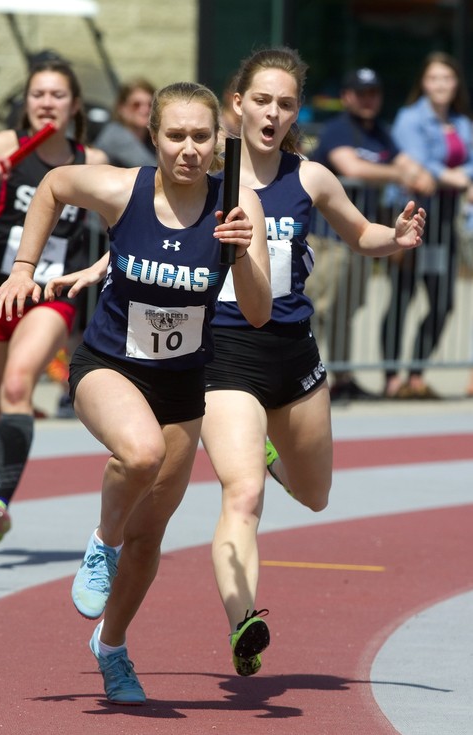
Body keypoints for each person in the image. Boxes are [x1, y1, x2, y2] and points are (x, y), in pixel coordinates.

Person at [0, 81, 271, 704]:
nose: (190, 149)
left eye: (202, 137)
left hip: (181, 385)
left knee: (151, 537)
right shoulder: (124, 189)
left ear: (217, 144)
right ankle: (100, 543)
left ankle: (111, 648)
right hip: (109, 366)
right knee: (139, 455)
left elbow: (255, 313)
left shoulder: (237, 207)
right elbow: (56, 186)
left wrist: (245, 256)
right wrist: (22, 268)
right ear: (154, 136)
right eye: (177, 136)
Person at [202, 47, 425, 678]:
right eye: (262, 100)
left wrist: (397, 236)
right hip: (225, 353)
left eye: (286, 103)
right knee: (241, 496)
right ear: (238, 103)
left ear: (296, 112)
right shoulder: (205, 174)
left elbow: (362, 235)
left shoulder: (310, 177)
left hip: (293, 351)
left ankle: (271, 454)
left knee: (316, 494)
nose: (273, 113)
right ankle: (243, 619)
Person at [0, 59, 108, 543]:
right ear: (25, 102)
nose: (47, 103)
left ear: (75, 105)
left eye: (58, 95)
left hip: (49, 296)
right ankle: (6, 451)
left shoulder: (93, 162)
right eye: (38, 94)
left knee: (18, 384)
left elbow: (133, 217)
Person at [308, 67, 435, 403]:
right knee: (318, 309)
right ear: (347, 96)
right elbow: (352, 168)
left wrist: (421, 174)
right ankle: (306, 379)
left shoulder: (381, 132)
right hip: (327, 238)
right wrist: (400, 175)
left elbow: (407, 162)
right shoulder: (337, 129)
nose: (368, 99)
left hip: (361, 239)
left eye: (374, 93)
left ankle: (343, 377)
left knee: (346, 311)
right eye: (361, 93)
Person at [383, 51, 473, 399]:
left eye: (447, 78)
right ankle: (392, 376)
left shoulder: (462, 122)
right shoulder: (409, 118)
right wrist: (454, 176)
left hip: (445, 223)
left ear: (455, 84)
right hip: (411, 218)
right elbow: (418, 164)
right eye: (434, 78)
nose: (441, 85)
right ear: (424, 82)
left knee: (443, 301)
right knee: (401, 297)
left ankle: (416, 373)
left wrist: (454, 176)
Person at [93, 78, 156, 167]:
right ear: (122, 108)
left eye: (150, 104)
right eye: (136, 105)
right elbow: (151, 168)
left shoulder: (149, 137)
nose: (145, 110)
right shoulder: (115, 135)